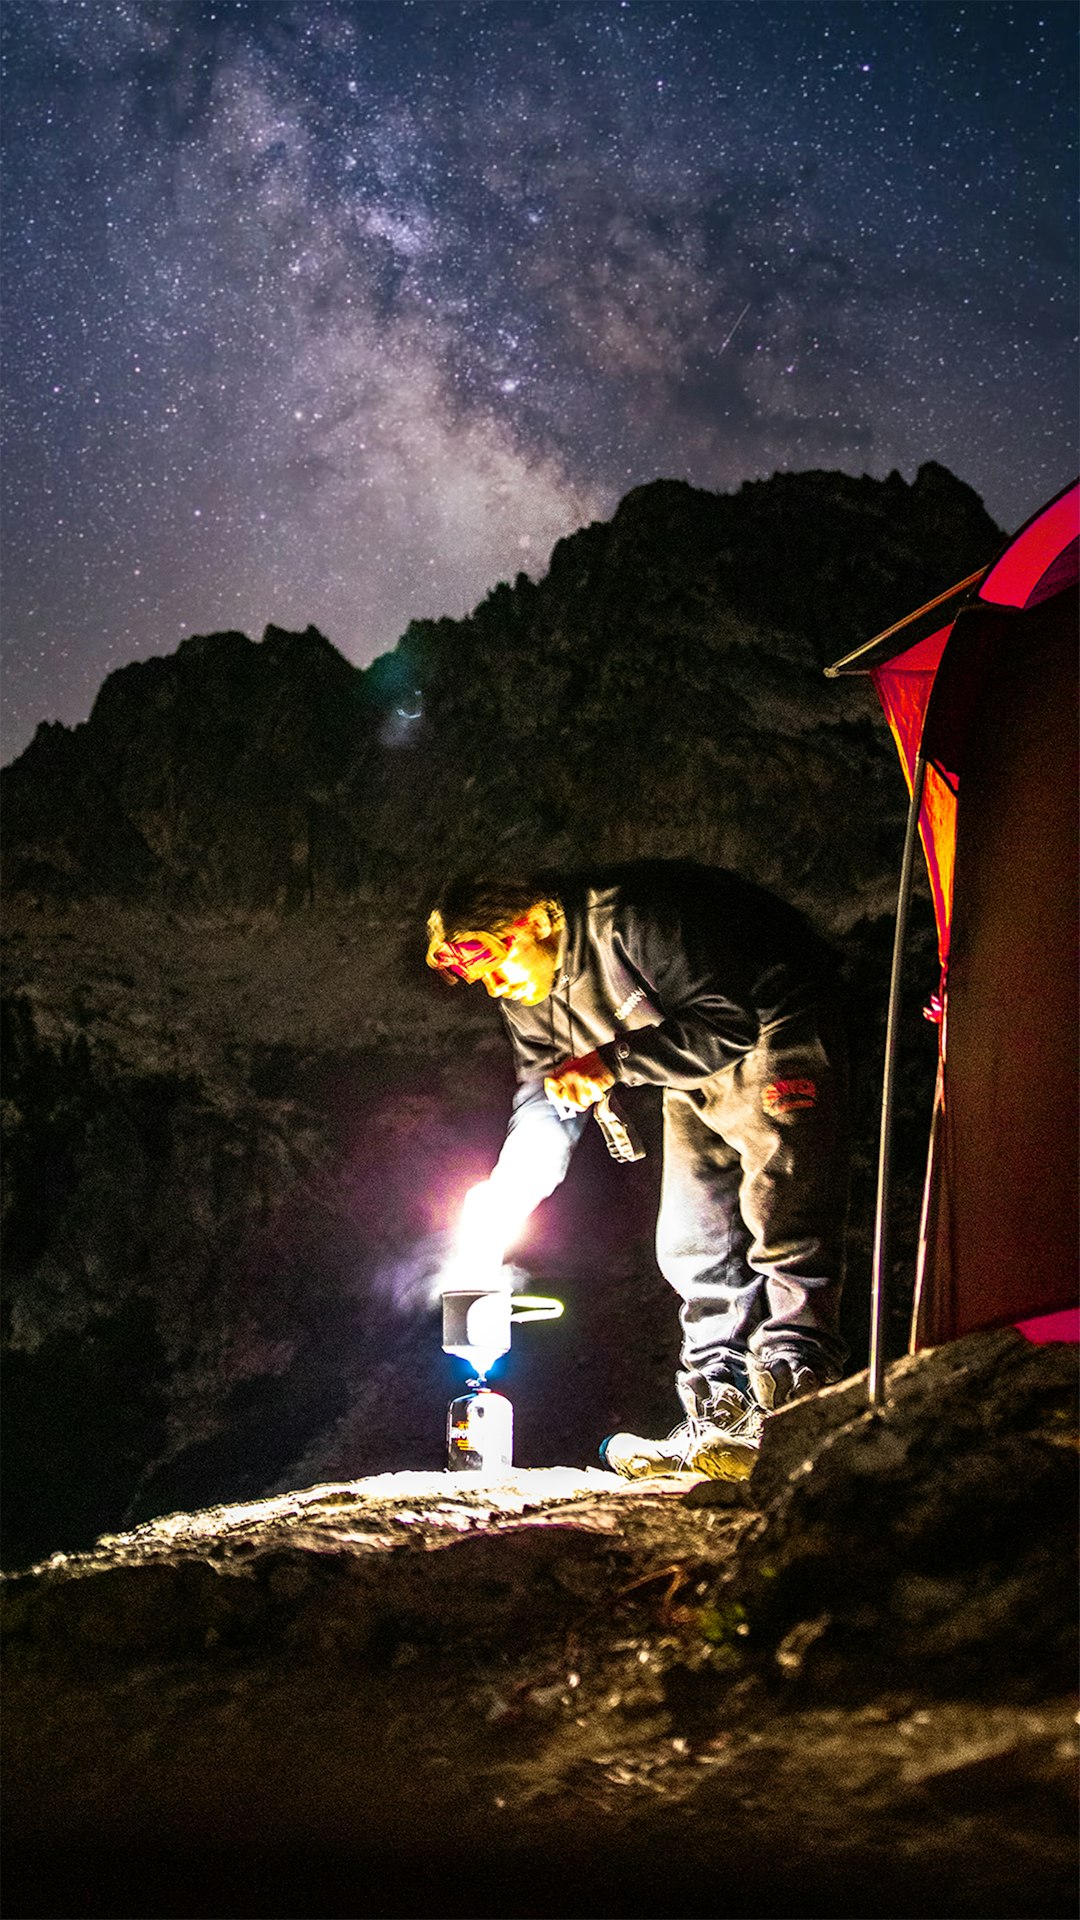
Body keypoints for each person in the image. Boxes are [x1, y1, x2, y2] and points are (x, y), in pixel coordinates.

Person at [425, 860, 850, 1481]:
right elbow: (545, 1100)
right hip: (676, 1057)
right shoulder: (529, 1002)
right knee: (691, 1236)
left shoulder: (631, 920)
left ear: (534, 922)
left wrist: (613, 1061)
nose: (493, 987)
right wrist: (506, 1197)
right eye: (477, 978)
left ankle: (796, 1397)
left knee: (783, 1212)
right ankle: (718, 1413)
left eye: (494, 962)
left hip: (772, 1024)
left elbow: (728, 1022)